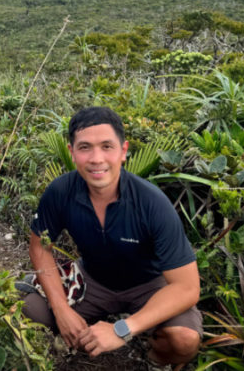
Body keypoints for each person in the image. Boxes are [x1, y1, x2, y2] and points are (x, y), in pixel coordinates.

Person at [22, 106, 202, 367]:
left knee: (183, 340)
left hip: (149, 285)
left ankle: (152, 358)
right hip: (92, 279)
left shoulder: (152, 203)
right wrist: (61, 310)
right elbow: (40, 247)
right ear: (72, 153)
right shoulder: (60, 191)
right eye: (85, 147)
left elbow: (187, 287)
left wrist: (122, 329)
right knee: (29, 309)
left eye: (107, 146)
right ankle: (81, 337)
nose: (97, 158)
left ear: (123, 151)